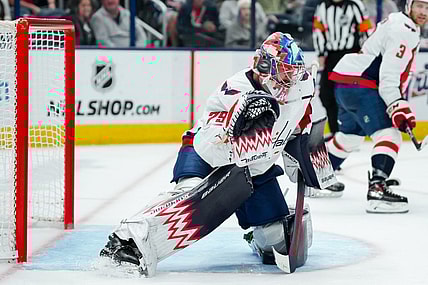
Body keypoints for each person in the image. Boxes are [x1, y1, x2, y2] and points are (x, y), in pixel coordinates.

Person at [99, 32, 337, 277]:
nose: (291, 77)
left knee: (277, 239)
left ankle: (256, 232)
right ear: (264, 66)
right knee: (188, 196)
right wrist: (216, 187)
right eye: (284, 70)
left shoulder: (302, 83)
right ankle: (126, 240)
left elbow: (301, 119)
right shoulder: (235, 90)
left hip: (256, 169)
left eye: (293, 70)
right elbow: (214, 144)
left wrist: (303, 160)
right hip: (207, 155)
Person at [326, 0, 428, 213]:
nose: (424, 12)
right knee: (389, 135)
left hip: (348, 83)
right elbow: (388, 76)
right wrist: (396, 105)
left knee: (349, 137)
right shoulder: (404, 29)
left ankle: (316, 178)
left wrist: (396, 104)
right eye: (420, 6)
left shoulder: (400, 23)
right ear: (408, 5)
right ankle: (377, 189)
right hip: (362, 84)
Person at [312, 0, 373, 137]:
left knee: (350, 94)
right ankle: (336, 131)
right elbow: (318, 30)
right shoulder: (322, 6)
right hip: (332, 56)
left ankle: (353, 131)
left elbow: (367, 29)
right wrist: (321, 53)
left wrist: (366, 52)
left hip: (352, 54)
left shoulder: (355, 4)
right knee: (326, 95)